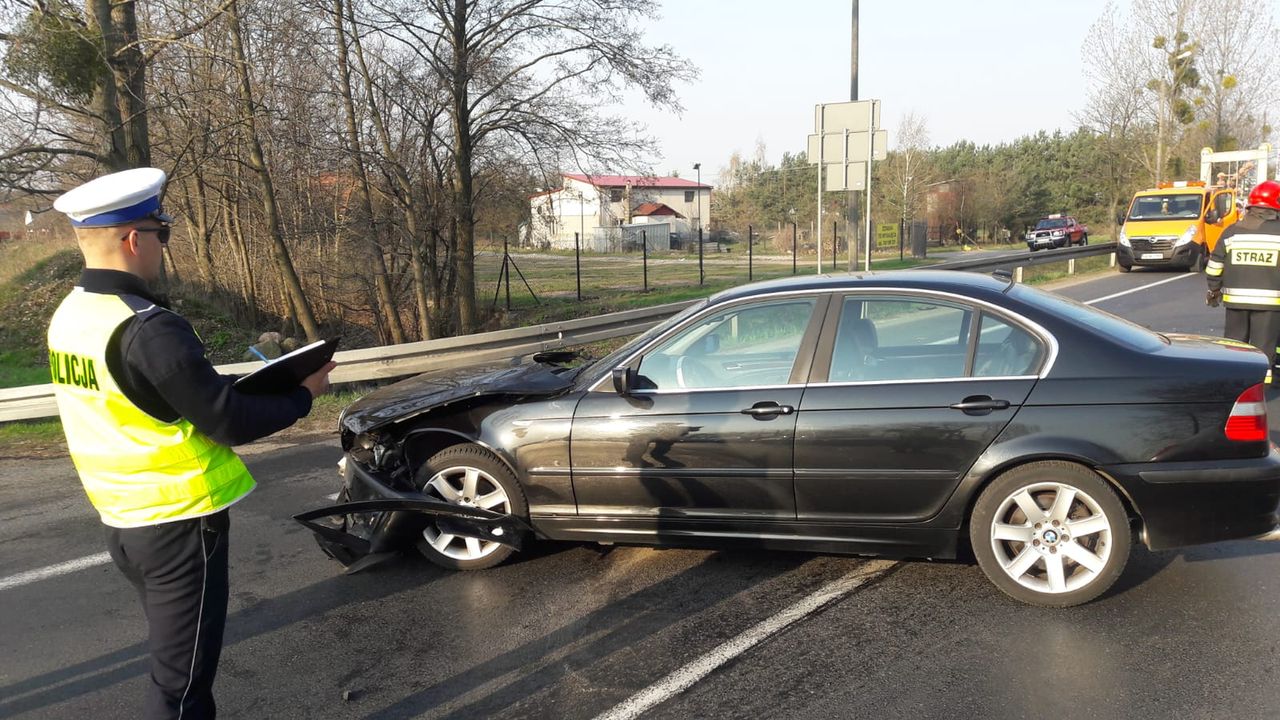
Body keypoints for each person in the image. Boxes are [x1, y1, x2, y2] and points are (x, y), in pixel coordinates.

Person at [47, 167, 336, 719]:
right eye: (163, 234)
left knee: (172, 668)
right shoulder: (149, 326)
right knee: (181, 687)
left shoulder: (72, 316)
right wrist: (303, 394)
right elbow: (227, 422)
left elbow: (159, 395)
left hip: (123, 521)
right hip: (178, 523)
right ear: (135, 239)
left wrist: (248, 384)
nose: (163, 247)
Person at [1206, 179, 1280, 376]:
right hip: (1270, 305)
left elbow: (1214, 266)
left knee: (1234, 347)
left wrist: (1214, 290)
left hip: (1235, 303)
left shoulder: (1231, 232)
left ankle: (1232, 382)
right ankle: (1257, 392)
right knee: (1263, 350)